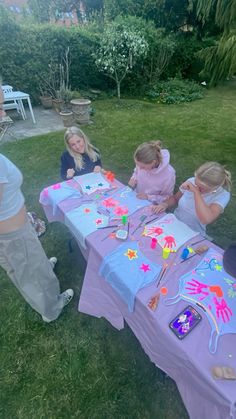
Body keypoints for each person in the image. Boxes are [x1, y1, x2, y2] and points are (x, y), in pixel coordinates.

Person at [0, 153, 74, 323]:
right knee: (29, 271)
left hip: (13, 230)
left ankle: (44, 269)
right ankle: (52, 309)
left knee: (20, 268)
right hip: (13, 234)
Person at [152, 161, 231, 236]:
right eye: (196, 183)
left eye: (202, 188)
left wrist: (196, 192)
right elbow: (175, 199)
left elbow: (205, 219)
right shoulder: (191, 181)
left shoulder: (222, 195)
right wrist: (164, 204)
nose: (196, 186)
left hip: (193, 233)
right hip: (174, 223)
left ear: (215, 187)